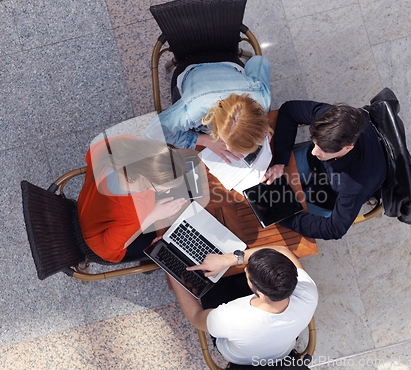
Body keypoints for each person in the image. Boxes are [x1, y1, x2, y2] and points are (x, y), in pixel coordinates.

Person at [167, 245, 318, 365]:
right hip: (280, 350)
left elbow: (195, 316)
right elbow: (282, 251)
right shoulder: (308, 293)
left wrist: (170, 269)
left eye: (248, 273)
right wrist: (229, 259)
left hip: (238, 354)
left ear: (262, 294)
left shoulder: (229, 318)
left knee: (213, 280)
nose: (246, 268)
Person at [261, 101, 386, 240]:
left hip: (333, 193)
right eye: (315, 143)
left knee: (281, 219)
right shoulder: (330, 117)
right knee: (267, 177)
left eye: (323, 149)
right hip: (321, 166)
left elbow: (334, 229)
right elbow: (289, 110)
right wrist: (280, 161)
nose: (314, 152)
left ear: (347, 148)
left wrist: (284, 218)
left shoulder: (355, 185)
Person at [76, 135, 187, 263]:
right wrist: (153, 216)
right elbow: (109, 251)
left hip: (88, 205)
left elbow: (91, 154)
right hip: (94, 243)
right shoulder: (132, 213)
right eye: (162, 188)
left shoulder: (125, 142)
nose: (167, 191)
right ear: (143, 175)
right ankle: (149, 261)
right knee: (166, 243)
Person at [144, 56, 273, 163]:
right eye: (225, 141)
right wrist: (203, 140)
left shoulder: (262, 99)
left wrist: (260, 122)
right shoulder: (193, 111)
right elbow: (151, 133)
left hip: (226, 64)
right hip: (190, 69)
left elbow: (259, 60)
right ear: (216, 127)